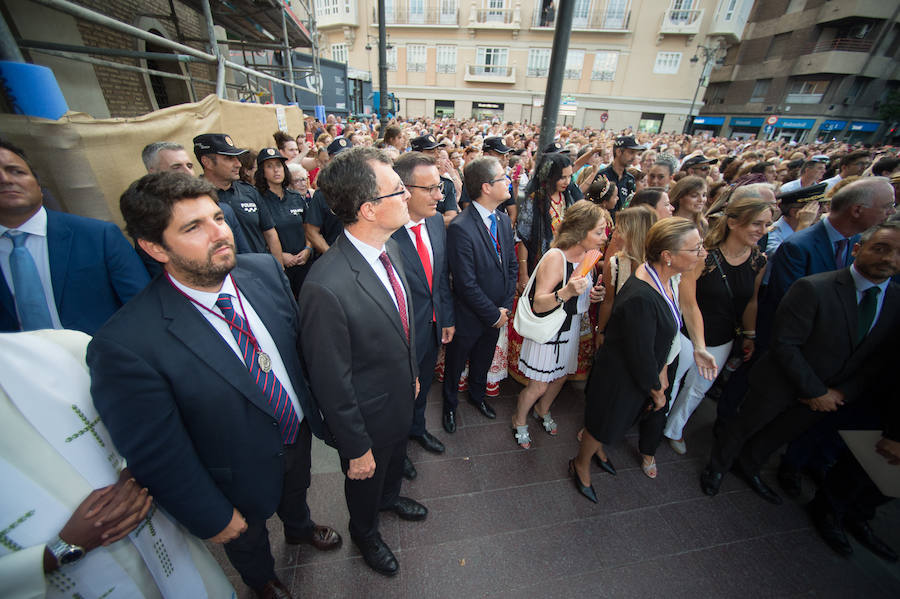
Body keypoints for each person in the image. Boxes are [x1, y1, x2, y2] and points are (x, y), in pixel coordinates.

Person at [89, 173, 341, 599]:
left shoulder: (262, 270)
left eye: (218, 218)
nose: (219, 234)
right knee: (246, 533)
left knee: (296, 489)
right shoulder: (125, 345)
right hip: (230, 470)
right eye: (193, 227)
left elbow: (293, 349)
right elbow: (157, 454)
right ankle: (262, 579)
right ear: (154, 247)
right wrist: (214, 517)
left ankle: (298, 529)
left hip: (294, 432)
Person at [0, 329, 234, 598]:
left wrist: (137, 468)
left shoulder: (66, 348)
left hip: (168, 547)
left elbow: (147, 427)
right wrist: (56, 552)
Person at [702, 222, 900, 505]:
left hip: (831, 394)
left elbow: (876, 357)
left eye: (898, 253)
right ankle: (716, 468)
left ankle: (749, 465)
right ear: (857, 249)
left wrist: (841, 393)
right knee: (744, 425)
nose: (889, 259)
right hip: (782, 382)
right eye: (880, 248)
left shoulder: (895, 302)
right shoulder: (815, 288)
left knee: (779, 435)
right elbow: (785, 343)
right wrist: (816, 390)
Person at [298, 147, 428, 577]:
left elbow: (402, 323)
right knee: (367, 478)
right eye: (399, 190)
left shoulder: (391, 251)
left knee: (391, 468)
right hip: (365, 417)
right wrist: (355, 449)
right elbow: (330, 381)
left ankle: (389, 500)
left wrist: (411, 375)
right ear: (369, 209)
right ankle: (365, 531)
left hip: (397, 397)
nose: (408, 196)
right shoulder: (326, 286)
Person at [571, 218, 705, 502]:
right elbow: (640, 353)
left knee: (613, 423)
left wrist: (663, 370)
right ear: (667, 256)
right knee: (603, 423)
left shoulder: (660, 276)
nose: (700, 253)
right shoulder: (643, 295)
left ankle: (597, 449)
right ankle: (580, 464)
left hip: (636, 372)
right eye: (694, 248)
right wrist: (657, 390)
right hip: (622, 376)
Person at [0, 140, 149, 334]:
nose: (5, 179)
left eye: (16, 171)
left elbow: (143, 307)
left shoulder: (98, 237)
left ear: (38, 185)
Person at [663, 193, 771, 454]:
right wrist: (700, 346)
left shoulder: (759, 261)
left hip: (723, 337)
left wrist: (749, 334)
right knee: (673, 380)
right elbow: (688, 303)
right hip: (687, 332)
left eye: (767, 224)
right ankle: (655, 423)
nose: (762, 231)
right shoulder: (704, 256)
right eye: (757, 223)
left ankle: (674, 429)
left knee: (699, 388)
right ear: (733, 223)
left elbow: (751, 301)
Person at [513, 201, 608, 449]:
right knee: (539, 384)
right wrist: (566, 292)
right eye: (598, 231)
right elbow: (539, 304)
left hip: (572, 326)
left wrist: (593, 295)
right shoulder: (556, 258)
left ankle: (542, 410)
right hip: (549, 330)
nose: (604, 237)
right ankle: (519, 418)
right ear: (580, 231)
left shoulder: (588, 258)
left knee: (560, 376)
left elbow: (581, 297)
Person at [442, 156, 518, 434]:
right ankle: (449, 405)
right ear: (487, 187)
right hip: (471, 315)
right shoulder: (462, 227)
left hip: (497, 312)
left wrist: (505, 307)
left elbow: (510, 265)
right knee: (456, 361)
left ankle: (477, 396)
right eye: (502, 178)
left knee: (484, 359)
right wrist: (492, 313)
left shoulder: (502, 219)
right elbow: (465, 283)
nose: (508, 181)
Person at [390, 152, 455, 475]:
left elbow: (440, 276)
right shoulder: (387, 233)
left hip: (432, 326)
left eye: (439, 186)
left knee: (424, 383)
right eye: (430, 189)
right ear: (404, 190)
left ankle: (417, 429)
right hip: (399, 336)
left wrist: (446, 317)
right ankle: (397, 449)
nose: (439, 196)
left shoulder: (434, 222)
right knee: (399, 395)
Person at [142, 141, 250, 275]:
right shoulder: (150, 224)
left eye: (189, 166)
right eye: (176, 167)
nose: (187, 172)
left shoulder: (223, 209)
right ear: (153, 173)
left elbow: (246, 259)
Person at [193, 133, 284, 265]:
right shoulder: (195, 199)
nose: (238, 164)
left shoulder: (249, 191)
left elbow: (270, 234)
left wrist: (278, 270)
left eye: (237, 158)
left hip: (259, 271)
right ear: (207, 162)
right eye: (229, 158)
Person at [255, 148, 313, 297]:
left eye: (279, 165)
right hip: (279, 268)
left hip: (304, 264)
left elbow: (308, 228)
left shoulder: (295, 197)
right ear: (262, 171)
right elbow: (260, 236)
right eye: (269, 166)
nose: (276, 170)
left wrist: (308, 249)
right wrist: (280, 256)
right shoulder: (259, 200)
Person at [303, 137, 351, 255]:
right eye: (339, 158)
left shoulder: (366, 189)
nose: (345, 162)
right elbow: (311, 231)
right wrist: (331, 255)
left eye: (348, 157)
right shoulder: (322, 194)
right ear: (330, 161)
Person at [594, 136, 645, 216]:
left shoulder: (630, 179)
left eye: (636, 153)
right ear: (618, 152)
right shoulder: (603, 176)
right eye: (631, 152)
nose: (634, 157)